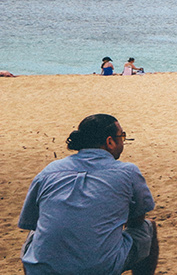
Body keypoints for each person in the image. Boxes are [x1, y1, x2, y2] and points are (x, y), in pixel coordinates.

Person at [19, 113, 159, 275]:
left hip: (44, 269)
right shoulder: (128, 172)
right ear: (110, 142)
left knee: (35, 234)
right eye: (122, 136)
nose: (123, 140)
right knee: (148, 228)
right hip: (100, 268)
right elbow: (137, 220)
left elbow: (30, 222)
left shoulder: (49, 171)